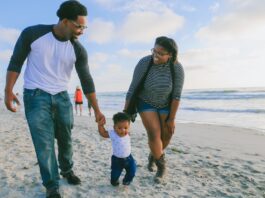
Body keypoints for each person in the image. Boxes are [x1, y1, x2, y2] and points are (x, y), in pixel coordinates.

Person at [4, 1, 105, 197]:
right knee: (44, 143)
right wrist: (8, 90)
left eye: (84, 26)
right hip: (35, 96)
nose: (82, 31)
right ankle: (52, 184)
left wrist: (97, 109)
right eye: (79, 26)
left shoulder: (78, 49)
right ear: (65, 21)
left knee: (66, 139)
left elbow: (86, 80)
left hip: (61, 97)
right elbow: (16, 61)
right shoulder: (33, 34)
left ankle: (66, 170)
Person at [124, 36, 184, 183]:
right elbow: (133, 88)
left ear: (170, 54)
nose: (155, 56)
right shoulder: (144, 62)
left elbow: (176, 96)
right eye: (154, 51)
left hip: (166, 104)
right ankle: (162, 167)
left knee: (167, 134)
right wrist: (125, 114)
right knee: (154, 134)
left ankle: (154, 155)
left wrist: (172, 119)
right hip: (145, 102)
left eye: (160, 53)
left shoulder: (177, 68)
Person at [98, 112, 137, 186]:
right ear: (114, 127)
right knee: (115, 175)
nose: (123, 130)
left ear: (129, 127)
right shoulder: (113, 133)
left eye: (125, 128)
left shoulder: (128, 133)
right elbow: (102, 133)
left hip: (129, 158)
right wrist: (100, 125)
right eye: (119, 128)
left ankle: (126, 181)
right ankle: (114, 181)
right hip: (117, 160)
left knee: (132, 171)